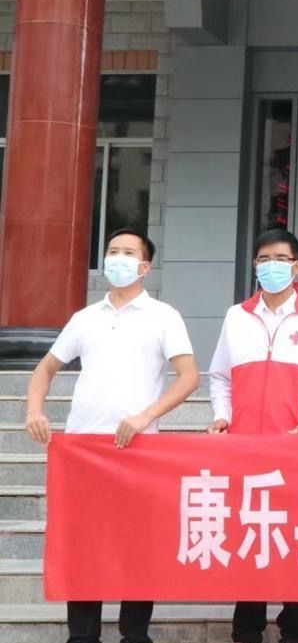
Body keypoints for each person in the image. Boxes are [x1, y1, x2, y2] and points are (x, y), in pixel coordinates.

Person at [24, 229, 199, 643]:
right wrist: (34, 410)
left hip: (138, 450)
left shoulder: (163, 316)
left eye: (128, 253)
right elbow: (45, 368)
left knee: (138, 547)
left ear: (145, 266)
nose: (118, 258)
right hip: (83, 450)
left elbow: (189, 376)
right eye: (112, 251)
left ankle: (134, 634)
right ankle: (82, 636)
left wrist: (145, 416)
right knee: (83, 547)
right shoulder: (85, 318)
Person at [208, 227, 298, 643]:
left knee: (296, 538)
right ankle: (246, 627)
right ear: (255, 265)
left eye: (280, 259)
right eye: (263, 259)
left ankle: (296, 627)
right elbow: (220, 377)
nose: (271, 266)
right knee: (250, 534)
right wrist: (222, 415)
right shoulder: (236, 316)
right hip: (245, 450)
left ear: (296, 266)